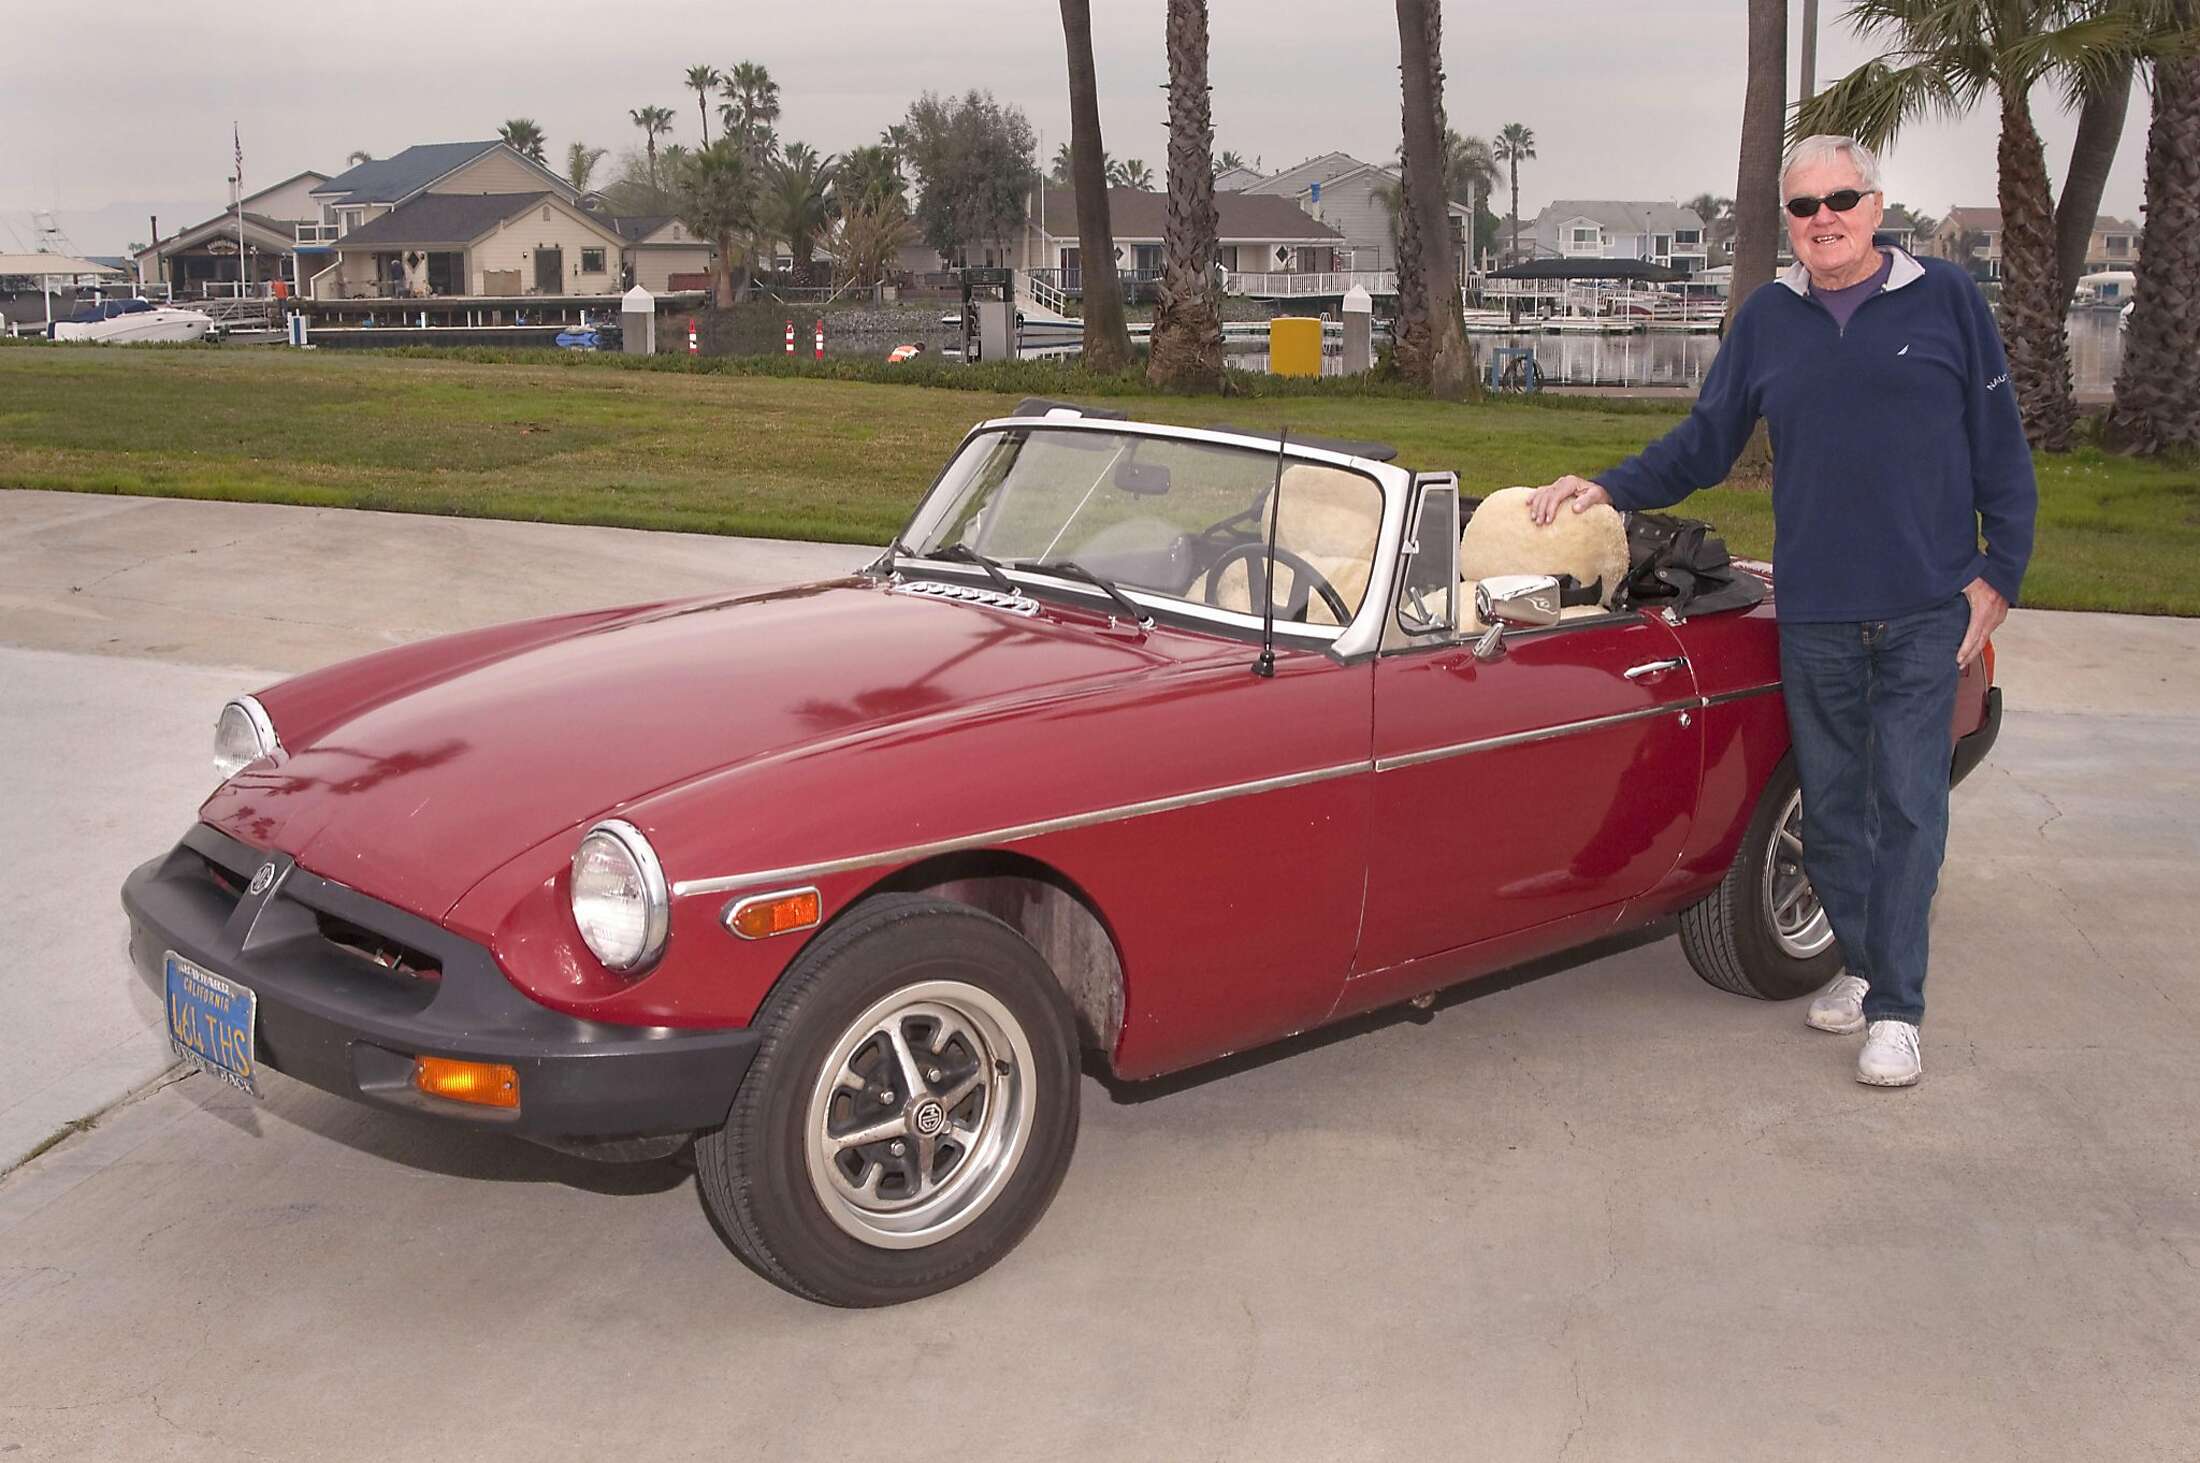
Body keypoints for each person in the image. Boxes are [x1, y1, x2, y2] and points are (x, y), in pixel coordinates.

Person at [1527, 134, 2036, 1088]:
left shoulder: (1948, 302)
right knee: (1835, 815)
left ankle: (1897, 1010)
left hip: (1928, 609)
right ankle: (1864, 958)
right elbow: (1707, 442)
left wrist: (1998, 571)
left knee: (1909, 810)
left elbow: (2001, 451)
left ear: (1877, 206)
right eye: (1803, 207)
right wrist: (1606, 487)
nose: (1822, 219)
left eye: (1840, 198)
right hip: (1818, 614)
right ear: (1789, 224)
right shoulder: (1768, 320)